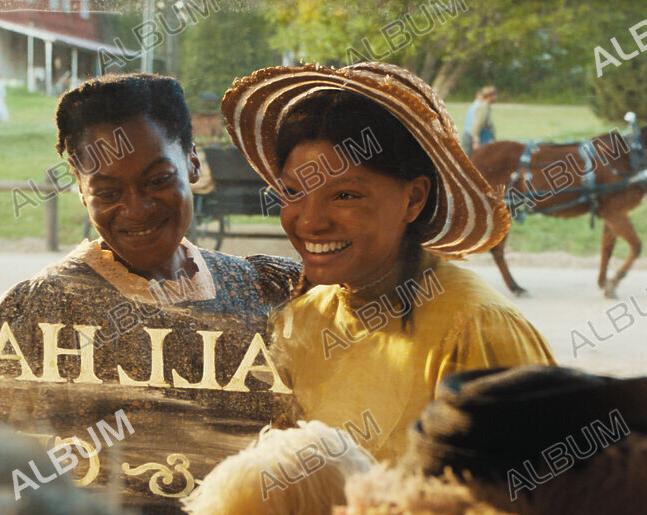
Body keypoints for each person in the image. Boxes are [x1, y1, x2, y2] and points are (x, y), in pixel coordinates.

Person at [0, 73, 302, 515]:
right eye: (108, 192)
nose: (136, 209)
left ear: (193, 163)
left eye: (158, 180)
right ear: (81, 189)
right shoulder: (39, 311)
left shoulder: (264, 288)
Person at [221, 63, 555, 463]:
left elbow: (537, 506)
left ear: (413, 198)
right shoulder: (302, 320)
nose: (309, 220)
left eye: (345, 195)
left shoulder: (477, 327)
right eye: (293, 192)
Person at [461, 85, 497, 156]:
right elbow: (477, 125)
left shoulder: (484, 106)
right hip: (474, 139)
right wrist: (476, 141)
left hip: (472, 137)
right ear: (489, 96)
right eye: (494, 95)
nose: (496, 97)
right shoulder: (483, 108)